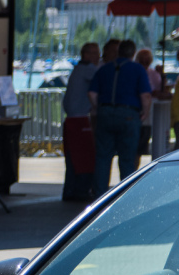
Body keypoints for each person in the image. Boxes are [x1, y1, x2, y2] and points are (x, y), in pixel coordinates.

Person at [88, 39, 153, 196]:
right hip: (129, 115)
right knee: (127, 159)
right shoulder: (137, 70)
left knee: (103, 157)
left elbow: (92, 93)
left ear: (118, 51)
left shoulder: (104, 69)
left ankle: (99, 197)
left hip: (105, 113)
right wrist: (145, 112)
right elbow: (145, 95)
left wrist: (100, 108)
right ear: (133, 53)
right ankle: (126, 197)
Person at [61, 42, 99, 201]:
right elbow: (101, 82)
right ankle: (81, 190)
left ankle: (70, 190)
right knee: (84, 158)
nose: (99, 57)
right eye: (96, 53)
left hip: (70, 120)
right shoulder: (89, 70)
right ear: (87, 55)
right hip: (80, 120)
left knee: (72, 159)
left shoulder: (77, 69)